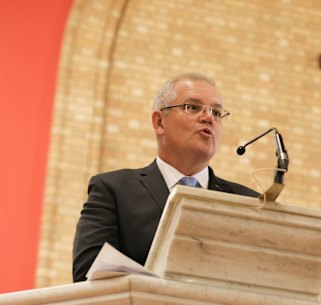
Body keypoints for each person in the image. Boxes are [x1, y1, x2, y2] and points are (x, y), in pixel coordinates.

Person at [72, 73, 260, 282]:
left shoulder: (249, 203)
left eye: (216, 112)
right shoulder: (113, 190)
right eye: (193, 107)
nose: (208, 118)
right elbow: (88, 274)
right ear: (159, 122)